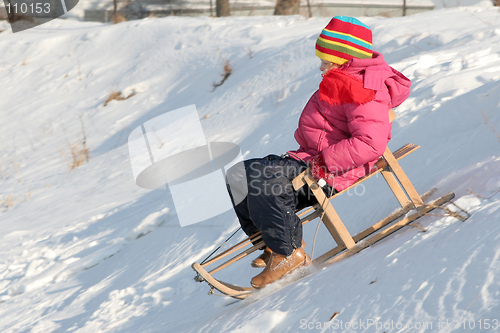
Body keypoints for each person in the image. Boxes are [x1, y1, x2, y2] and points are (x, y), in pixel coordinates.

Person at [226, 16, 411, 289]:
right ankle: (269, 242)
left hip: (332, 171)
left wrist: (324, 161)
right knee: (239, 174)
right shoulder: (344, 81)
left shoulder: (364, 90)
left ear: (346, 59)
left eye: (327, 61)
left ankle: (287, 253)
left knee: (263, 178)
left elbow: (371, 143)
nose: (322, 68)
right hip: (311, 160)